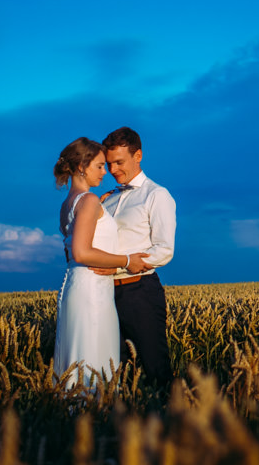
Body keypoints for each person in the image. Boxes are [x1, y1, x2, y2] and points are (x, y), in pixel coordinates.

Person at [52, 137, 150, 387]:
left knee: (82, 355)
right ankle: (95, 415)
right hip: (92, 289)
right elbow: (81, 252)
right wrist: (127, 260)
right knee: (95, 358)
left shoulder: (69, 204)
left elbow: (71, 252)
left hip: (78, 285)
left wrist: (101, 206)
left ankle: (75, 412)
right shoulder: (88, 201)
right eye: (99, 166)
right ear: (82, 167)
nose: (105, 172)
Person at [96, 126, 177, 386]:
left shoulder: (157, 195)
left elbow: (164, 249)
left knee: (155, 367)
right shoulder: (107, 201)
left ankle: (168, 420)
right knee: (117, 370)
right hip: (104, 295)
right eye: (108, 164)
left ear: (138, 155)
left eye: (119, 162)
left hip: (139, 292)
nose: (113, 170)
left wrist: (119, 267)